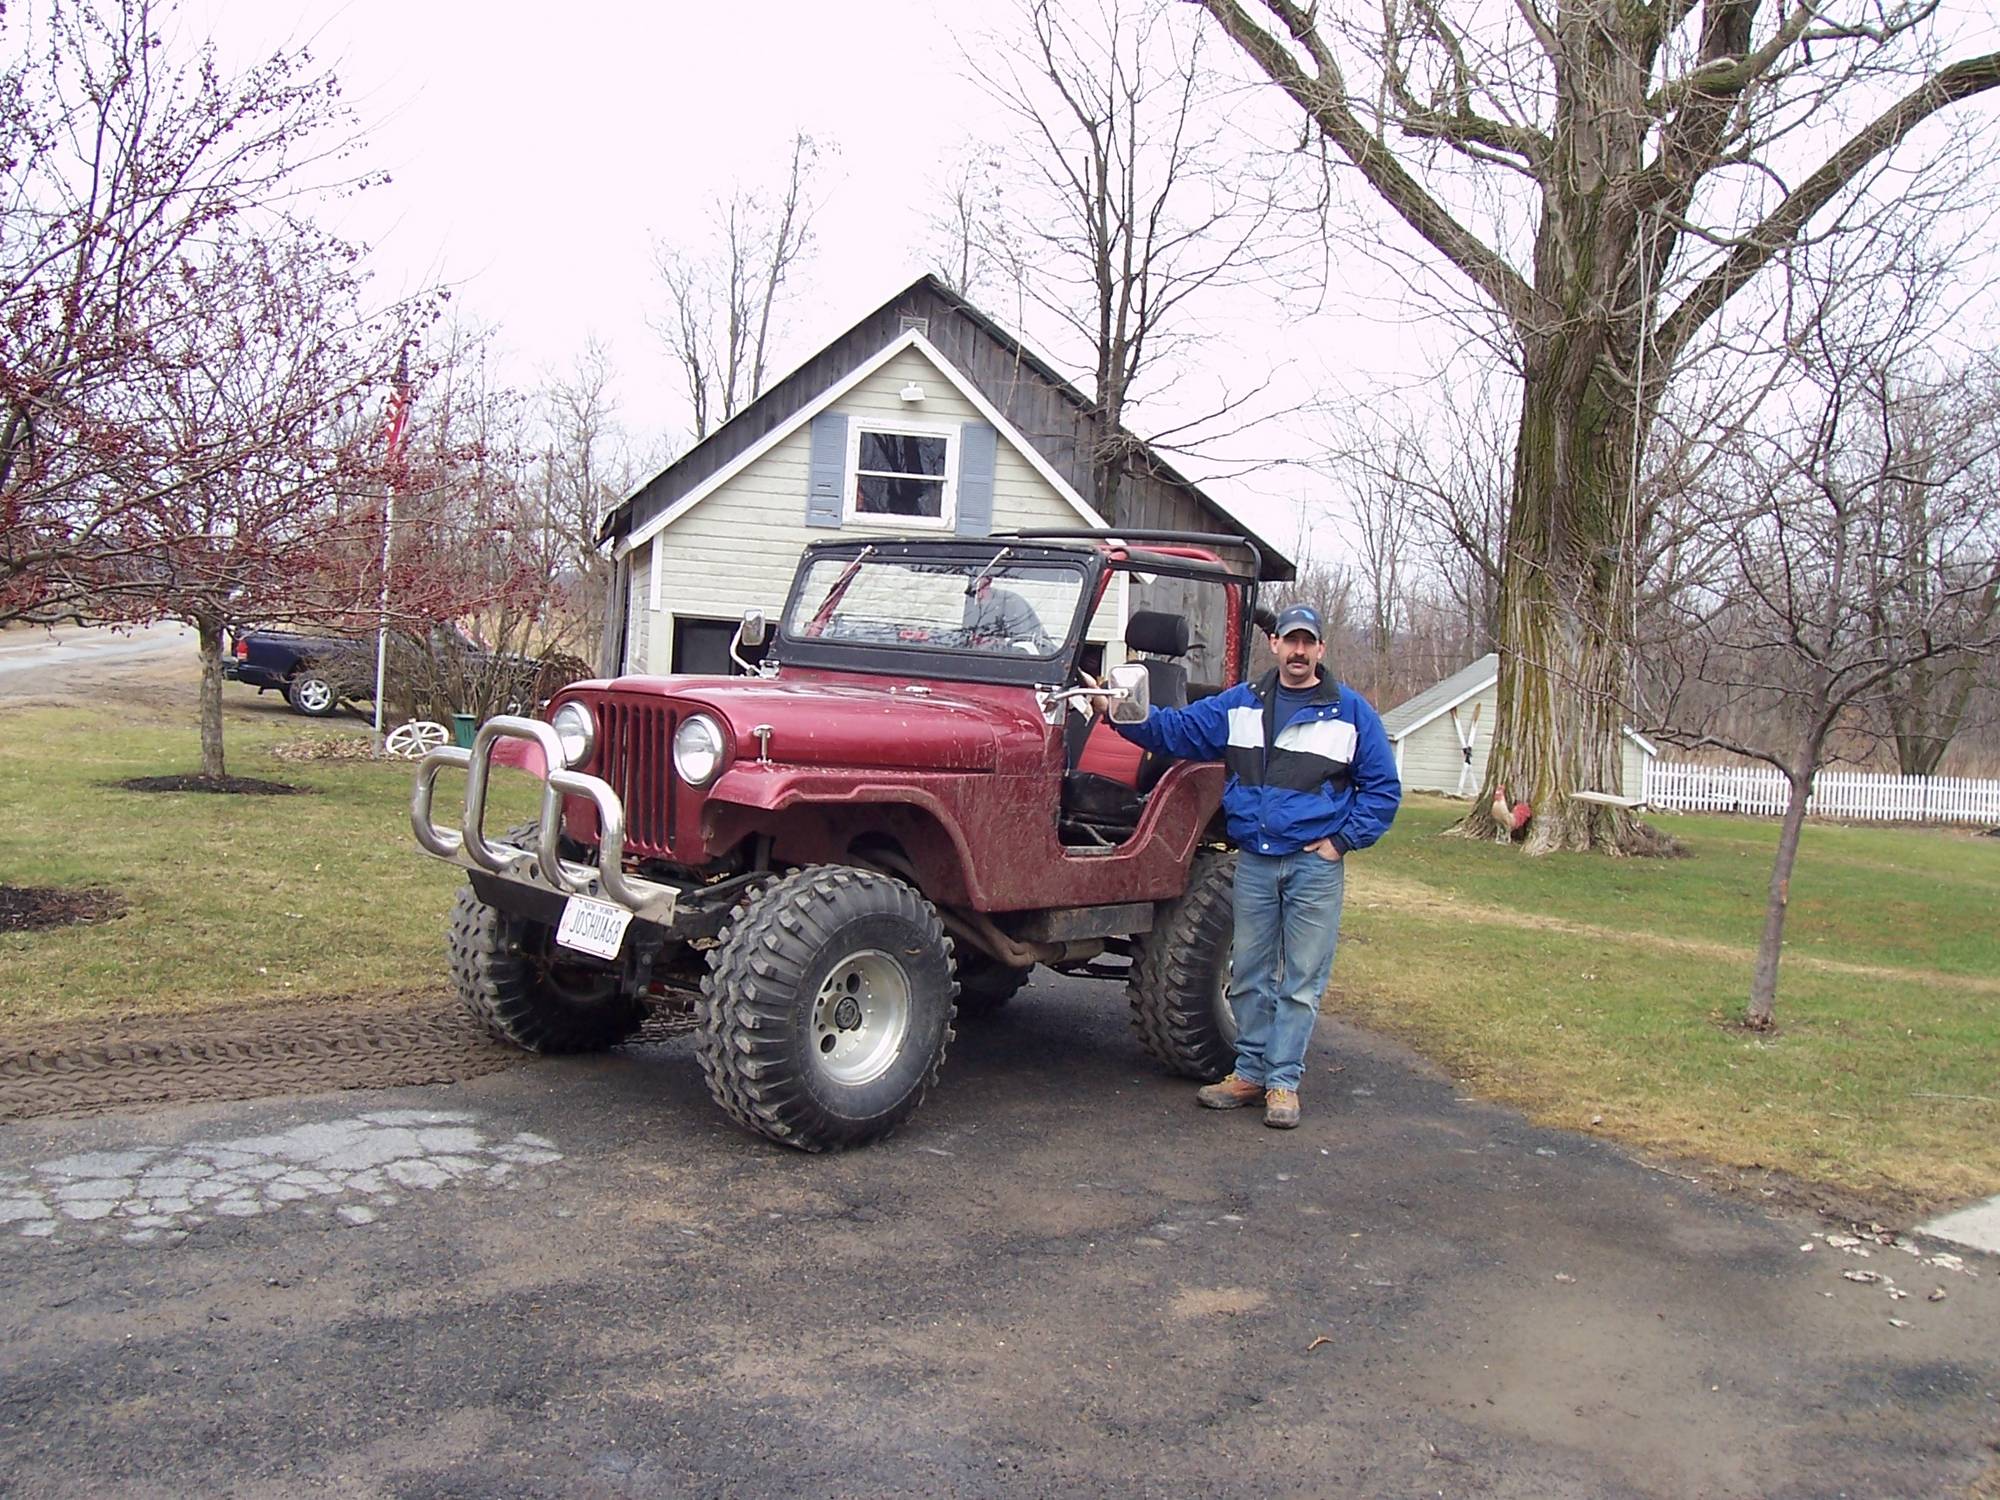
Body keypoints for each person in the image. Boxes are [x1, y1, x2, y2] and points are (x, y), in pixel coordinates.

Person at [1098, 602, 1401, 1128]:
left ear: (1321, 650)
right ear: (1276, 646)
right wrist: (1117, 709)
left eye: (1308, 642)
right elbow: (1174, 732)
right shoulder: (1239, 706)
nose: (1299, 651)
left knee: (1301, 980)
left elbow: (1382, 790)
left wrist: (1341, 841)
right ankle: (1250, 1073)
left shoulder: (1350, 714)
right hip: (1256, 863)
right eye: (1291, 641)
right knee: (1250, 976)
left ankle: (1283, 1082)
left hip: (1313, 865)